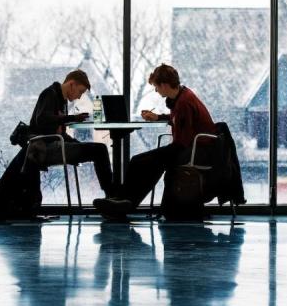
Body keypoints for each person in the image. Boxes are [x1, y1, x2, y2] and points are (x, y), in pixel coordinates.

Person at [93, 63, 217, 219]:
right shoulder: (183, 96)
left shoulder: (184, 102)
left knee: (146, 162)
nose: (156, 90)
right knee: (140, 161)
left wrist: (163, 153)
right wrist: (159, 117)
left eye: (156, 87)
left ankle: (125, 202)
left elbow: (182, 140)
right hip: (191, 147)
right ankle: (122, 201)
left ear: (164, 85)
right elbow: (179, 120)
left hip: (195, 150)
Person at [25, 69, 114, 196]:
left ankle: (111, 193)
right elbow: (42, 119)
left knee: (97, 149)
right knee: (99, 150)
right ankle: (112, 194)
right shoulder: (49, 94)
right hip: (47, 148)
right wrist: (72, 118)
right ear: (72, 84)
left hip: (55, 145)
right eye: (80, 91)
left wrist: (76, 143)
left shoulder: (62, 101)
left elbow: (60, 132)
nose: (79, 96)